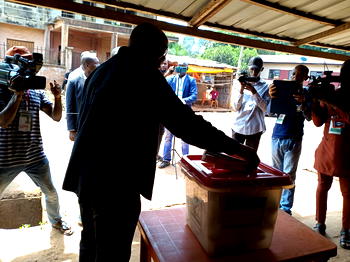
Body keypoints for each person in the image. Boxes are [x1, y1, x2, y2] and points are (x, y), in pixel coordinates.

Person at [62, 23, 260, 262]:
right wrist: (236, 147)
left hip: (87, 177)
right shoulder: (143, 74)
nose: (162, 61)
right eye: (162, 55)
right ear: (153, 52)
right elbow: (185, 123)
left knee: (92, 243)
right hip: (116, 183)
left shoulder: (102, 71)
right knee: (112, 251)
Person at [0, 46, 73, 236]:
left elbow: (57, 117)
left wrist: (57, 97)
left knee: (51, 192)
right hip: (5, 159)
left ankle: (56, 221)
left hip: (35, 156)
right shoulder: (2, 90)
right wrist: (17, 94)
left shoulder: (36, 92)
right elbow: (4, 121)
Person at [311, 59, 350, 249]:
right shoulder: (334, 94)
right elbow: (318, 121)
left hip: (348, 155)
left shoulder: (336, 97)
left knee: (348, 195)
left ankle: (346, 230)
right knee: (322, 188)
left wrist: (331, 101)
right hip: (327, 152)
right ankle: (319, 222)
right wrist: (314, 102)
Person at [269, 65, 311, 215]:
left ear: (306, 78)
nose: (295, 77)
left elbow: (309, 117)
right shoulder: (280, 90)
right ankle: (274, 203)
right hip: (277, 136)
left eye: (300, 75)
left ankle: (286, 208)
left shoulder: (306, 94)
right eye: (294, 74)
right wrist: (271, 96)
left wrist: (303, 103)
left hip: (294, 138)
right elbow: (269, 111)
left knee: (289, 175)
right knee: (276, 173)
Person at [158, 62, 198, 168]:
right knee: (168, 137)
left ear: (187, 69)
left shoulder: (191, 80)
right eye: (180, 67)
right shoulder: (170, 79)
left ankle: (186, 160)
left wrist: (183, 100)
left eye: (184, 67)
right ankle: (166, 159)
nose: (182, 69)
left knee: (185, 138)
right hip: (170, 112)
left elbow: (194, 96)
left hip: (184, 112)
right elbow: (161, 88)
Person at [231, 56, 270, 151]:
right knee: (233, 156)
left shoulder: (266, 86)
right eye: (252, 69)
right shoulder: (238, 83)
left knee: (249, 158)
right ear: (248, 68)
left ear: (262, 69)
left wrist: (254, 91)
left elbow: (266, 109)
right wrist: (241, 90)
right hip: (238, 126)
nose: (254, 72)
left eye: (257, 70)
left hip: (255, 128)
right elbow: (236, 107)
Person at [66, 51, 99, 141]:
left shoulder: (97, 78)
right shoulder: (74, 79)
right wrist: (71, 129)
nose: (99, 65)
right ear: (88, 65)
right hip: (79, 124)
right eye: (96, 63)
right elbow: (69, 104)